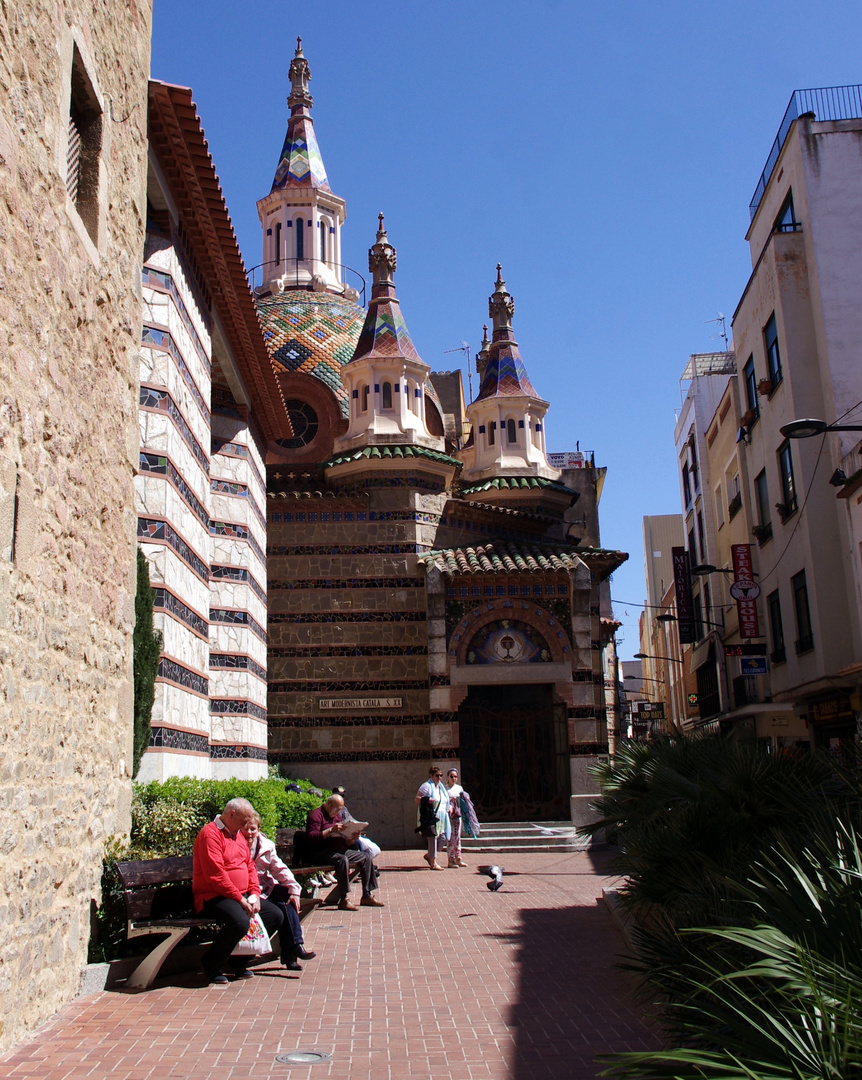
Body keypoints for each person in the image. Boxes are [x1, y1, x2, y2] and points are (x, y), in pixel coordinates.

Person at [192, 797, 284, 985]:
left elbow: (249, 866)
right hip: (213, 896)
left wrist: (254, 894)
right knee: (240, 921)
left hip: (240, 895)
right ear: (232, 815)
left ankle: (237, 961)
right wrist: (240, 899)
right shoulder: (210, 834)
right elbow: (216, 876)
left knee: (274, 915)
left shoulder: (237, 834)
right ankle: (211, 963)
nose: (245, 827)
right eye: (243, 822)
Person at [240, 811, 317, 972]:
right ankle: (291, 952)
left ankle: (295, 947)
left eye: (253, 829)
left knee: (287, 897)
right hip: (249, 891)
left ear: (259, 829)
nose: (249, 833)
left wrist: (294, 890)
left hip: (265, 888)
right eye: (245, 829)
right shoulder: (236, 845)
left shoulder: (265, 846)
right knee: (279, 910)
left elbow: (280, 869)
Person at [306, 794, 384, 911]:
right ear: (329, 804)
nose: (338, 812)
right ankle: (344, 899)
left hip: (339, 850)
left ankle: (367, 895)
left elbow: (345, 842)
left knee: (366, 857)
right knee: (342, 860)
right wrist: (331, 830)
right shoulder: (316, 815)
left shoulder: (337, 817)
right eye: (336, 808)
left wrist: (353, 837)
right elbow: (312, 838)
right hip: (320, 852)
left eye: (340, 809)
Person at [415, 766, 451, 870]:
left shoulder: (441, 787)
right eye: (437, 775)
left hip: (441, 817)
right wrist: (427, 799)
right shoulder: (426, 786)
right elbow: (417, 799)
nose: (439, 778)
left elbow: (444, 800)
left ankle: (430, 855)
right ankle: (433, 862)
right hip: (430, 816)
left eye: (441, 776)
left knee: (444, 837)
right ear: (431, 775)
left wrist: (449, 807)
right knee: (432, 839)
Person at [445, 768, 468, 868]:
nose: (453, 778)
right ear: (447, 777)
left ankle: (458, 858)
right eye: (451, 776)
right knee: (451, 837)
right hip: (449, 815)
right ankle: (450, 859)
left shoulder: (459, 788)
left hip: (457, 815)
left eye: (455, 777)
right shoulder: (444, 788)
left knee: (458, 836)